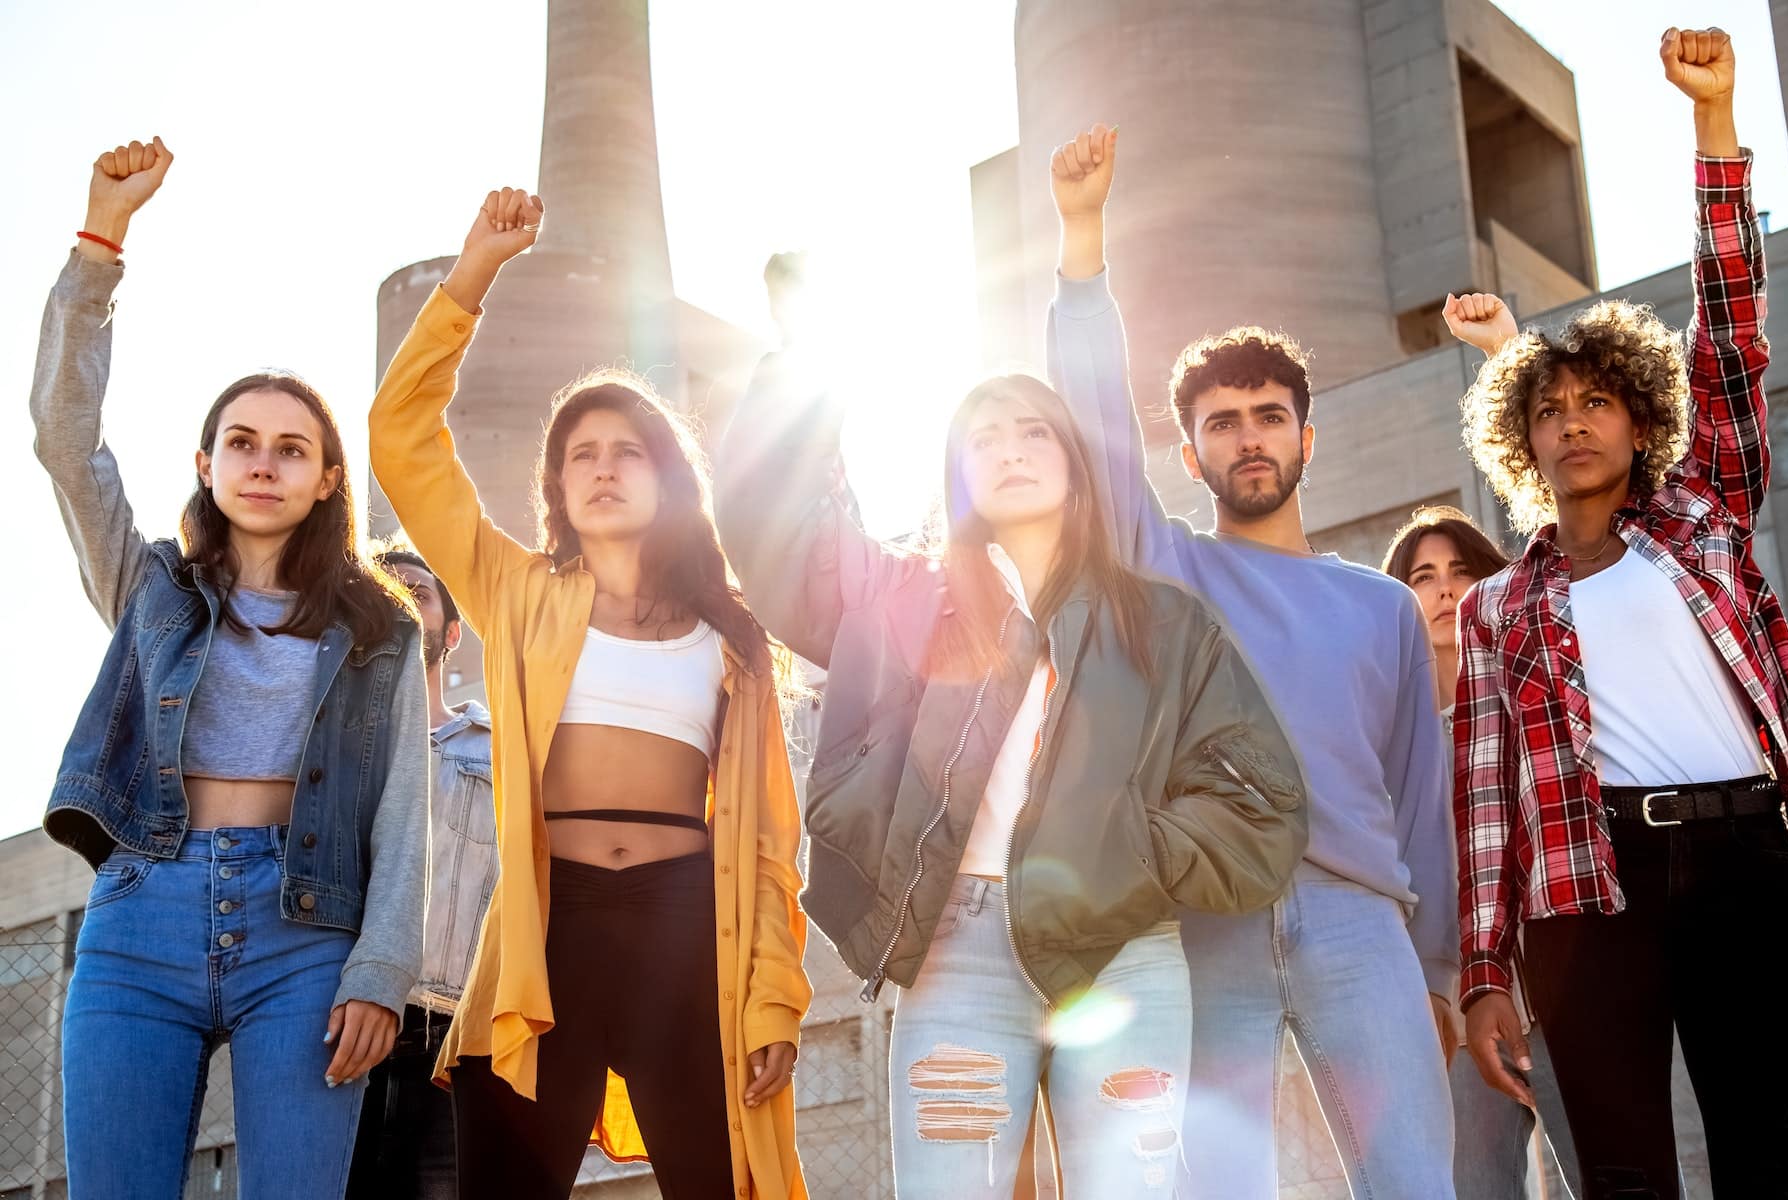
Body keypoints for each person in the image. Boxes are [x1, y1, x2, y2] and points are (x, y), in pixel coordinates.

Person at [716, 342, 1308, 1197]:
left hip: (1125, 961)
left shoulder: (1162, 624)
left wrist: (1130, 853)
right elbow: (772, 536)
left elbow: (1261, 805)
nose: (1011, 449)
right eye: (984, 438)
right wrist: (795, 371)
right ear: (958, 476)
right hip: (957, 959)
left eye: (1034, 432)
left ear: (1073, 466)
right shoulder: (903, 602)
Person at [1447, 29, 1788, 1198]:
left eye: (1597, 402)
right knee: (1621, 1177)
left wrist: (1710, 125)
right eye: (1549, 407)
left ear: (1639, 424)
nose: (1573, 422)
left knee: (1765, 1164)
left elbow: (1728, 333)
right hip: (1583, 891)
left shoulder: (1701, 513)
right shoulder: (1495, 608)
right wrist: (1483, 972)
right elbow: (1482, 801)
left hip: (1739, 857)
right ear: (1518, 441)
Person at [368, 188, 811, 1199]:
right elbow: (402, 440)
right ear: (555, 486)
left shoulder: (731, 639)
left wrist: (773, 997)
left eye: (627, 452)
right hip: (543, 938)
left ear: (669, 479)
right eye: (581, 455)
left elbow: (767, 846)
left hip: (687, 933)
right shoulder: (518, 594)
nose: (603, 469)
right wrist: (470, 278)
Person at [1044, 124, 1456, 1196]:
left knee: (1413, 1182)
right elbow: (1090, 429)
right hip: (1204, 920)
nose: (1249, 437)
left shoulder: (1381, 609)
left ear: (1307, 438)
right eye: (1221, 425)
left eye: (1269, 416)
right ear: (1191, 455)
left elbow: (1420, 799)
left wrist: (1446, 971)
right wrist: (1082, 247)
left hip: (1358, 925)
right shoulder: (1165, 568)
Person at [36, 138, 428, 1200]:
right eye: (241, 443)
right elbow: (65, 441)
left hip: (304, 933)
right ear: (206, 466)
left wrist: (381, 973)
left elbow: (405, 810)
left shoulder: (379, 626)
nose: (264, 462)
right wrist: (100, 242)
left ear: (325, 477)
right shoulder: (148, 586)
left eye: (291, 448)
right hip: (140, 915)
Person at [1381, 507, 1582, 1199]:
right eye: (1423, 576)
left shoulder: (1535, 704)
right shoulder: (1385, 737)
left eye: (1461, 571)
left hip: (1564, 983)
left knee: (1613, 1174)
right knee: (1475, 1187)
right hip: (1458, 1003)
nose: (1443, 591)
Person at [346, 545, 495, 1200]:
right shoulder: (334, 755)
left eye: (421, 592)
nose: (402, 598)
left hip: (456, 1029)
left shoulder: (504, 752)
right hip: (341, 1019)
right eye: (386, 590)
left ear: (453, 633)